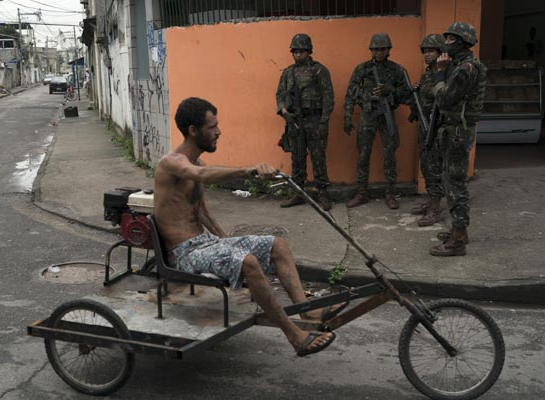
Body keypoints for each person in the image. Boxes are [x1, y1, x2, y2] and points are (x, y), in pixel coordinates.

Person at [153, 97, 343, 356]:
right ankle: (295, 336)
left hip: (206, 244)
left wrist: (225, 240)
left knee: (278, 244)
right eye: (212, 127)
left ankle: (307, 309)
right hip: (184, 254)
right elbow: (200, 176)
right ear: (193, 130)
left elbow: (201, 211)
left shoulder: (198, 163)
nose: (219, 132)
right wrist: (249, 170)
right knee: (249, 262)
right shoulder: (172, 163)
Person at [429, 22, 487, 257]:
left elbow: (444, 98)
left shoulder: (465, 68)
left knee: (455, 184)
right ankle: (457, 230)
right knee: (449, 180)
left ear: (462, 42)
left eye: (451, 39)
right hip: (453, 131)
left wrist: (440, 75)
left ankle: (459, 238)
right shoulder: (462, 65)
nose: (446, 43)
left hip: (457, 133)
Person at [343, 33, 409, 209]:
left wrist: (390, 90)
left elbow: (407, 95)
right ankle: (362, 193)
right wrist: (348, 116)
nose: (378, 53)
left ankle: (390, 194)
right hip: (368, 116)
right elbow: (350, 94)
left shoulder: (397, 70)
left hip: (386, 115)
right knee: (363, 155)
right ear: (371, 50)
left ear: (388, 50)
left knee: (390, 155)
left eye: (382, 49)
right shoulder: (362, 69)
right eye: (375, 49)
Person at [276, 33, 334, 211]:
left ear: (309, 52)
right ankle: (298, 192)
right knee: (297, 157)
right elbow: (279, 95)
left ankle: (322, 192)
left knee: (318, 157)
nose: (298, 54)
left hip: (314, 119)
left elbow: (328, 97)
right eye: (295, 51)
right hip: (295, 121)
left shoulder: (319, 71)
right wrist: (285, 113)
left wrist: (324, 122)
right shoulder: (288, 73)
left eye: (302, 51)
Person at [410, 34, 446, 227]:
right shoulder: (427, 74)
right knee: (425, 163)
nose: (427, 54)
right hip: (424, 125)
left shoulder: (445, 74)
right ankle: (430, 200)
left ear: (441, 53)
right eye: (425, 51)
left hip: (437, 126)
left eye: (431, 50)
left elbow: (442, 96)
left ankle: (435, 208)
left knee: (434, 167)